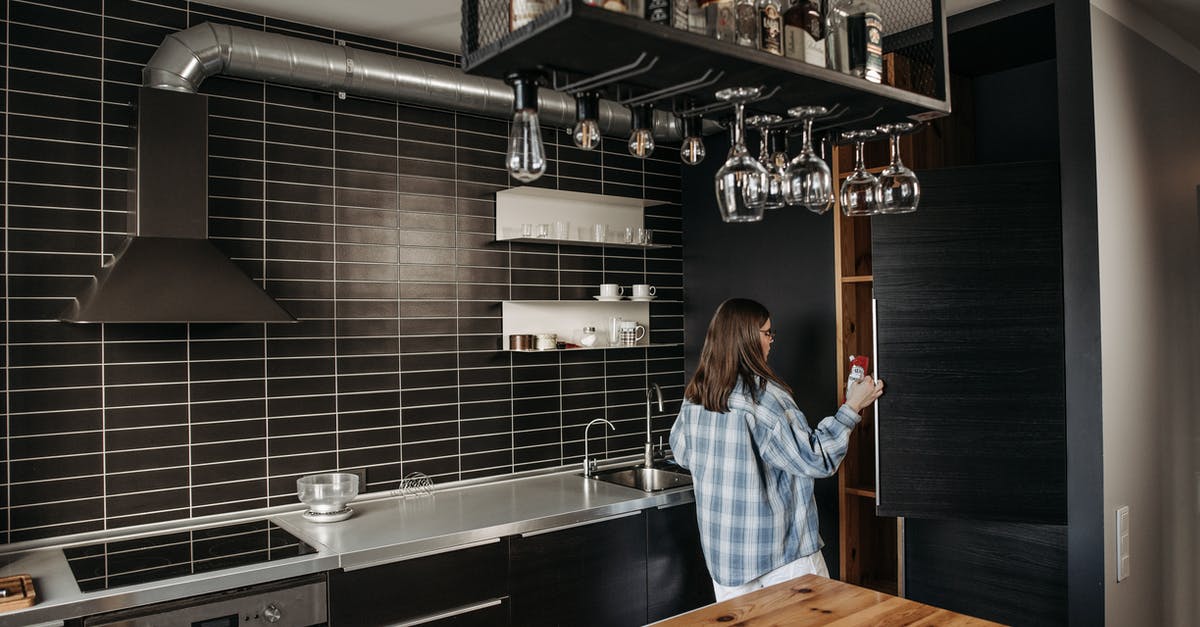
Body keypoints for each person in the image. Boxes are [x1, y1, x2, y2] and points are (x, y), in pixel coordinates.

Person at [669, 298, 884, 601]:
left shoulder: (695, 396)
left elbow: (681, 454)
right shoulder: (765, 399)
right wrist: (853, 405)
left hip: (725, 558)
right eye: (767, 333)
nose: (772, 341)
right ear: (746, 338)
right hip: (782, 559)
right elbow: (817, 459)